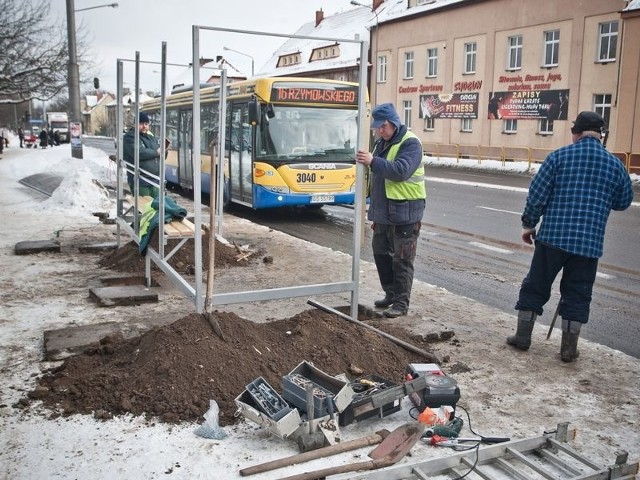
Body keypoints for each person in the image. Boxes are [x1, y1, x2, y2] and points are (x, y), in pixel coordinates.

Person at [507, 111, 633, 362]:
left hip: (553, 238)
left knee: (536, 284)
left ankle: (522, 337)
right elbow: (623, 201)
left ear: (576, 133)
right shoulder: (615, 165)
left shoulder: (558, 157)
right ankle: (568, 349)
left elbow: (537, 195)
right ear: (601, 135)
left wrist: (529, 225)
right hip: (589, 244)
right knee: (578, 293)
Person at [355, 103, 426, 318]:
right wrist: (375, 214)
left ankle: (401, 304)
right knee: (380, 254)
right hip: (385, 214)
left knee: (402, 260)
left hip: (406, 213)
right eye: (377, 127)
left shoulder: (411, 143)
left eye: (382, 127)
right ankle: (390, 293)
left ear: (393, 123)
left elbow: (400, 171)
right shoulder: (381, 143)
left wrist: (372, 161)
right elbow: (377, 181)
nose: (379, 131)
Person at [123, 112, 161, 198]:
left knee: (156, 208)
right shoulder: (130, 137)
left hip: (154, 179)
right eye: (141, 124)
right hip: (140, 180)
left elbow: (161, 153)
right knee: (144, 209)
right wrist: (156, 153)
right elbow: (139, 153)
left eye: (146, 124)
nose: (144, 126)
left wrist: (163, 151)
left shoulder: (151, 137)